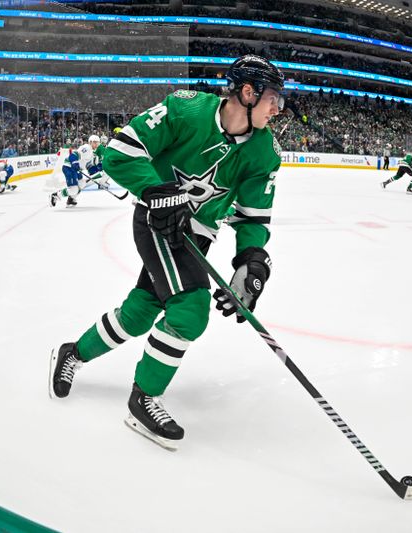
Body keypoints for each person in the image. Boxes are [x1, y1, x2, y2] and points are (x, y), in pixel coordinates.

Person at [48, 54, 284, 450]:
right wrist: (156, 191)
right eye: (273, 97)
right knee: (190, 310)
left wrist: (252, 260)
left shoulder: (265, 152)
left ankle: (73, 352)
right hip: (158, 220)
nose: (279, 108)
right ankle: (143, 399)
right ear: (247, 92)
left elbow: (253, 219)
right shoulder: (185, 109)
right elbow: (119, 152)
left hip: (198, 234)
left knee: (140, 311)